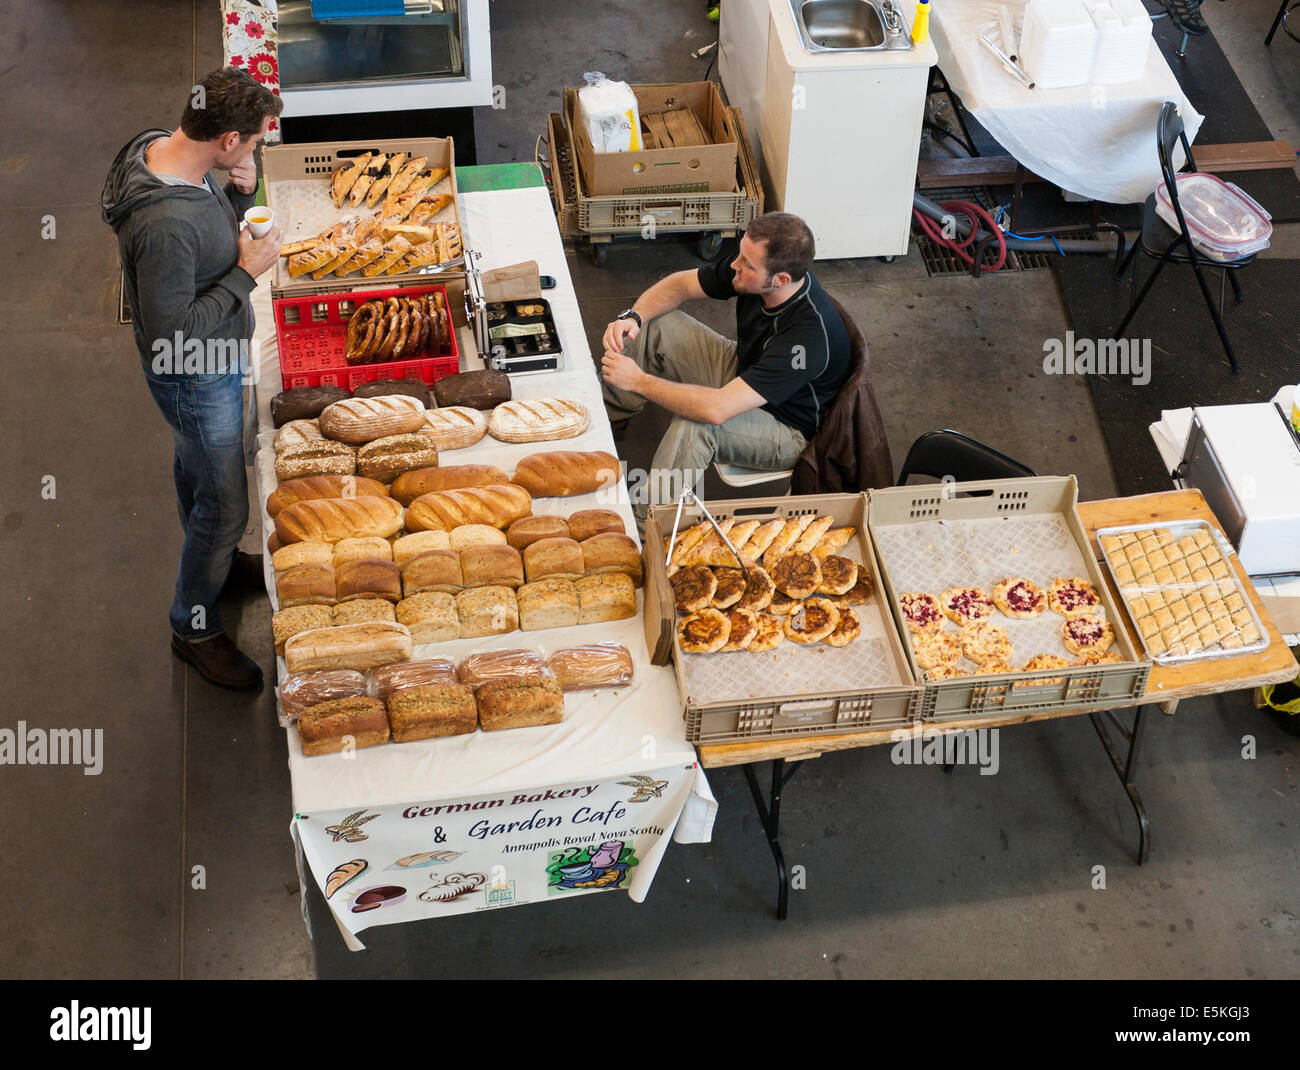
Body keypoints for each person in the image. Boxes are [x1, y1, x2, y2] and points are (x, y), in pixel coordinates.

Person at [102, 67, 283, 689]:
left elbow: (203, 225)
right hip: (193, 371)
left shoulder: (161, 145)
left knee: (199, 467)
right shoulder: (165, 224)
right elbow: (169, 335)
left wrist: (235, 190)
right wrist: (246, 274)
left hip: (212, 356)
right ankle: (194, 626)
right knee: (227, 501)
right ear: (227, 137)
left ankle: (220, 560)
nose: (254, 152)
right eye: (253, 144)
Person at [599, 212, 850, 525]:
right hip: (749, 371)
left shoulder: (807, 339)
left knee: (696, 426)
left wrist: (639, 381)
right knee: (654, 323)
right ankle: (604, 424)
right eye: (741, 255)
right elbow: (679, 285)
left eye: (746, 264)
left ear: (780, 280)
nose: (735, 265)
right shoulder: (753, 269)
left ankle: (645, 527)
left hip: (786, 425)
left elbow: (716, 411)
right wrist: (632, 318)